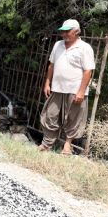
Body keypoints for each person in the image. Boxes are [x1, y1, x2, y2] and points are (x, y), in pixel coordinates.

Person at [38, 19, 95, 155]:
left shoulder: (85, 48)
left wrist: (81, 92)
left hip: (75, 90)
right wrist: (47, 82)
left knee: (73, 119)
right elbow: (51, 65)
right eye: (63, 31)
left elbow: (88, 71)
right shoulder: (58, 45)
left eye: (67, 31)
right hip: (57, 88)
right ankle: (46, 145)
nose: (64, 34)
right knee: (50, 115)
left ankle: (67, 146)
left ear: (76, 32)